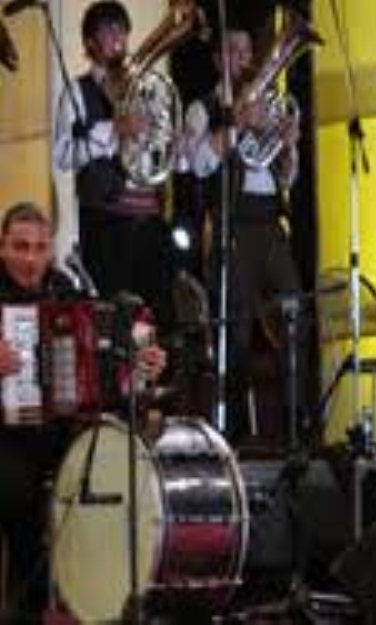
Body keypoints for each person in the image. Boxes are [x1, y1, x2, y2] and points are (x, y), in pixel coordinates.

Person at [0, 201, 167, 620]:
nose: (31, 259)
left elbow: (108, 350)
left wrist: (140, 361)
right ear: (2, 247)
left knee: (103, 473)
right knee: (17, 491)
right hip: (6, 435)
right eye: (20, 247)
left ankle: (95, 597)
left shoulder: (66, 291)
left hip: (60, 429)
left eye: (40, 248)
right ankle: (27, 604)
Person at [183, 24, 307, 449]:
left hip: (270, 223)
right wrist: (235, 123)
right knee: (233, 333)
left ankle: (295, 430)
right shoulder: (203, 108)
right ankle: (232, 436)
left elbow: (286, 178)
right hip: (231, 224)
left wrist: (288, 146)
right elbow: (197, 163)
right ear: (217, 60)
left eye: (247, 51)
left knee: (293, 319)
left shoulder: (268, 105)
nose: (243, 60)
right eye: (232, 51)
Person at [52, 0, 174, 330]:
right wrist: (112, 130)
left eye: (122, 30)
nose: (118, 38)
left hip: (148, 215)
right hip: (105, 221)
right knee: (113, 318)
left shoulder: (144, 88)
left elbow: (161, 150)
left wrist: (163, 137)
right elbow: (62, 155)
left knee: (155, 315)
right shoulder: (76, 92)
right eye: (108, 31)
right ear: (90, 42)